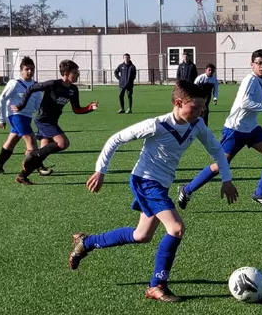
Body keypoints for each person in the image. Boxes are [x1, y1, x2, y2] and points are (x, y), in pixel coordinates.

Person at [70, 80, 238, 303]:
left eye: (203, 107)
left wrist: (227, 180)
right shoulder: (156, 125)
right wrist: (100, 170)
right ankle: (157, 285)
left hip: (161, 184)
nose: (201, 111)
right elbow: (115, 139)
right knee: (176, 228)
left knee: (142, 236)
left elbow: (217, 150)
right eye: (196, 107)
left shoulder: (196, 125)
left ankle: (87, 242)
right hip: (145, 181)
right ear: (178, 103)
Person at [177, 49, 262, 212]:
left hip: (251, 127)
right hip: (235, 129)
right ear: (252, 65)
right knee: (219, 166)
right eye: (259, 63)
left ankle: (260, 193)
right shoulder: (249, 80)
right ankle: (186, 190)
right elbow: (245, 103)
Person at [10, 60, 99, 185]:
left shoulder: (73, 89)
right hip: (43, 119)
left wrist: (89, 108)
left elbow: (77, 110)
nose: (78, 74)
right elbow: (31, 88)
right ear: (66, 73)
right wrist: (21, 105)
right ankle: (32, 155)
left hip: (53, 121)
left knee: (44, 152)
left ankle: (22, 176)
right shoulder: (53, 84)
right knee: (63, 143)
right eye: (75, 72)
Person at [0, 56, 51, 176]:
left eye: (32, 69)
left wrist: (45, 114)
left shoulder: (36, 86)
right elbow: (2, 99)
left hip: (27, 117)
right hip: (15, 116)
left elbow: (37, 105)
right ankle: (39, 167)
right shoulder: (15, 83)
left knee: (12, 140)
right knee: (31, 140)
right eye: (27, 69)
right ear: (21, 70)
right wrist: (1, 118)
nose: (29, 72)